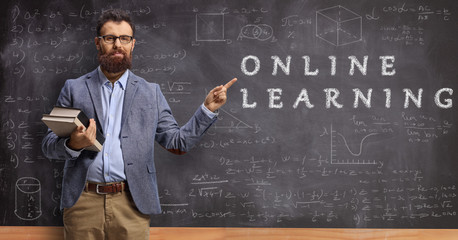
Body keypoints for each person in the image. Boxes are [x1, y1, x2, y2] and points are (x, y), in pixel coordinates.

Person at [41, 9, 236, 240]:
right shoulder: (74, 89)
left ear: (132, 44)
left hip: (132, 203)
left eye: (124, 38)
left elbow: (178, 142)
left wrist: (207, 110)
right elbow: (49, 145)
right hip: (82, 203)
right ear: (98, 43)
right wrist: (74, 143)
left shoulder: (150, 93)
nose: (117, 45)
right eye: (110, 38)